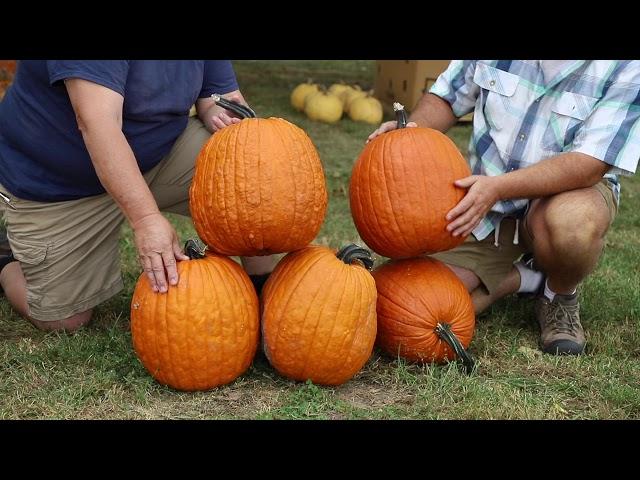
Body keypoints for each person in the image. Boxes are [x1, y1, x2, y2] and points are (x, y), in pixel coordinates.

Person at [368, 60, 640, 355]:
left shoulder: (625, 66)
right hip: (488, 208)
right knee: (417, 310)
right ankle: (526, 279)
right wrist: (409, 131)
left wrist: (498, 188)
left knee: (573, 224)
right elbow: (447, 97)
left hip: (566, 195)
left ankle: (558, 292)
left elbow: (589, 164)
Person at [0, 60, 277, 332]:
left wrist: (225, 114)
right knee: (64, 319)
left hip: (161, 152)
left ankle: (263, 292)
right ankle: (5, 257)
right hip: (61, 183)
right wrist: (145, 218)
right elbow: (98, 122)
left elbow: (217, 95)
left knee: (248, 175)